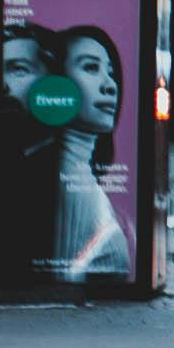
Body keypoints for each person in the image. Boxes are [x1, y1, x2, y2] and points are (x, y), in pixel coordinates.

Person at [46, 23, 135, 280]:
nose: (110, 86)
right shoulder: (68, 182)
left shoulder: (73, 176)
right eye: (90, 67)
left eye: (110, 72)